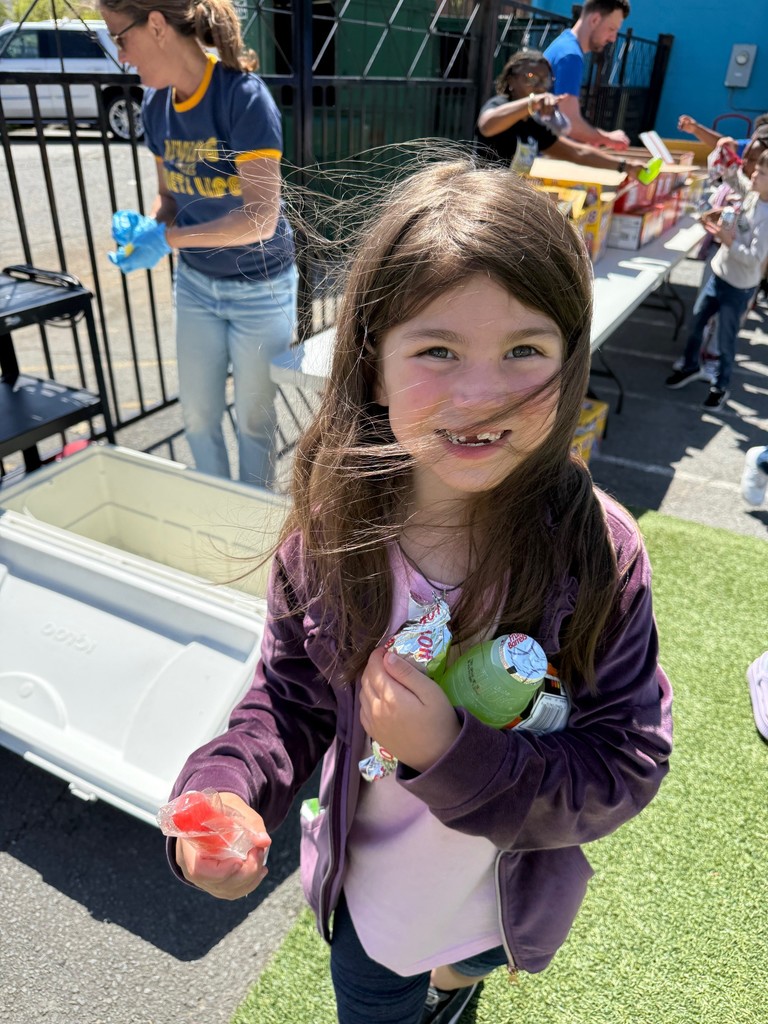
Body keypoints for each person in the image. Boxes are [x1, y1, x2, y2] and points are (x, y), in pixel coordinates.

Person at [163, 159, 673, 1024]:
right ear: (373, 367)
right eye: (437, 350)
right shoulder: (329, 540)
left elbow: (625, 760)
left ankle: (453, 987)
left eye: (525, 351)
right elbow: (287, 700)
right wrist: (226, 790)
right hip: (376, 910)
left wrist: (449, 752)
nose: (480, 394)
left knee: (459, 979)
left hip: (500, 905)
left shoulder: (600, 555)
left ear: (570, 361)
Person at [102, 0, 298, 489]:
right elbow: (169, 197)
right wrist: (148, 227)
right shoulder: (156, 104)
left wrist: (167, 239)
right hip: (196, 286)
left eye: (119, 38)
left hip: (261, 288)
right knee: (196, 417)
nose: (120, 55)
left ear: (156, 25)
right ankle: (214, 515)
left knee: (254, 423)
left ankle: (250, 526)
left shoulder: (243, 98)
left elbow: (260, 218)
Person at [665, 149, 768, 409]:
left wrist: (726, 240)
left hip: (739, 288)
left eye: (762, 173)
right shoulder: (753, 194)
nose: (754, 175)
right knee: (696, 324)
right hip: (719, 275)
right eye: (756, 170)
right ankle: (690, 366)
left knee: (725, 340)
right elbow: (736, 181)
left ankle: (720, 387)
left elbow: (755, 259)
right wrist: (728, 159)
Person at [477, 49, 646, 177]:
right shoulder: (499, 105)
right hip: (481, 198)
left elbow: (577, 153)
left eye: (545, 80)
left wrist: (626, 166)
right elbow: (487, 126)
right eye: (530, 77)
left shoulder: (533, 124)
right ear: (511, 80)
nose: (539, 86)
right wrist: (532, 103)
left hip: (508, 199)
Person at [543, 0, 630, 150]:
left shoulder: (564, 44)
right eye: (611, 29)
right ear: (594, 20)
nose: (613, 38)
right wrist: (608, 138)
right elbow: (569, 122)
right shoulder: (571, 56)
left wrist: (594, 137)